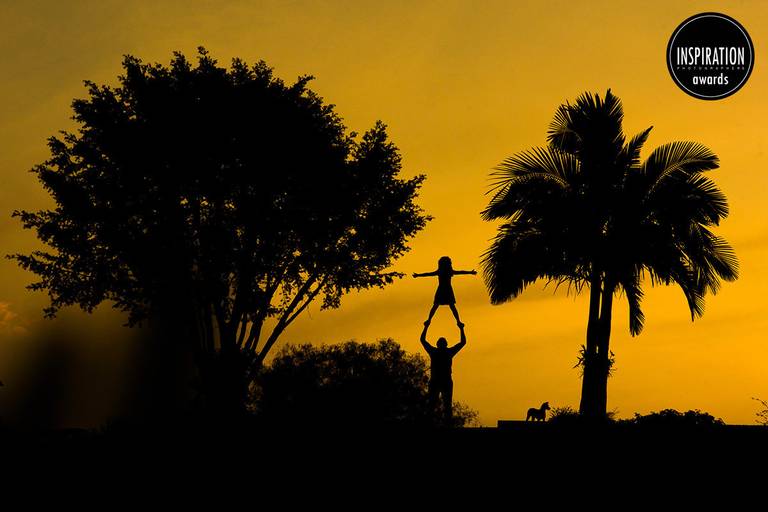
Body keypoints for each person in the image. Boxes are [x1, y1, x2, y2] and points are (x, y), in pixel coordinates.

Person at [420, 320, 466, 423]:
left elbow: (422, 340)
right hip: (442, 381)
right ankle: (442, 424)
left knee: (436, 405)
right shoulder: (448, 352)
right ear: (445, 344)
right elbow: (463, 342)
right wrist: (461, 328)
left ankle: (437, 424)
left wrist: (426, 327)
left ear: (438, 344)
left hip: (439, 381)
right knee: (443, 406)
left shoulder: (435, 351)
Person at [413, 256, 476, 326]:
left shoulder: (445, 271)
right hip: (444, 289)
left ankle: (457, 321)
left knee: (445, 306)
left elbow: (461, 272)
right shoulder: (444, 271)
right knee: (441, 306)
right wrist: (418, 275)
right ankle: (429, 319)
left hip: (445, 289)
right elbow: (428, 274)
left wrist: (470, 272)